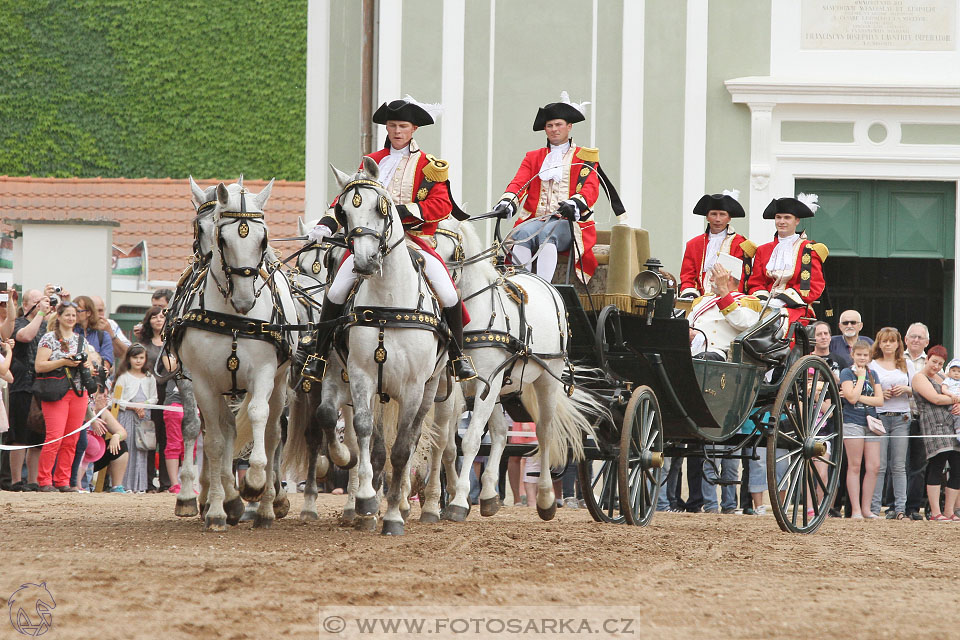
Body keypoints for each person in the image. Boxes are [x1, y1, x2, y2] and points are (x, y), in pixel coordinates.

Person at [306, 95, 476, 382]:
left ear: (414, 130)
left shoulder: (430, 165)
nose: (397, 131)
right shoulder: (371, 161)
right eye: (392, 125)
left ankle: (459, 357)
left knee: (448, 293)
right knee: (335, 291)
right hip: (368, 242)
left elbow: (442, 205)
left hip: (412, 240)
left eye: (403, 126)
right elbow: (349, 199)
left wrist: (400, 211)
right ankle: (318, 355)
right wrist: (325, 224)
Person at [493, 91, 623, 284]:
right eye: (550, 125)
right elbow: (518, 184)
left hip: (570, 223)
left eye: (558, 125)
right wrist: (507, 203)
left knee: (546, 234)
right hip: (535, 220)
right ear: (545, 129)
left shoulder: (584, 157)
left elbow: (590, 189)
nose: (554, 129)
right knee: (519, 235)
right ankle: (521, 286)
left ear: (569, 127)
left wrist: (573, 204)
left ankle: (542, 288)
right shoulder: (533, 157)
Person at [34, 303, 99, 492]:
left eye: (73, 315)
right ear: (59, 316)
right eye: (67, 315)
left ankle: (62, 480)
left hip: (78, 392)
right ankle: (44, 480)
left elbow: (87, 363)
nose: (71, 318)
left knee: (72, 439)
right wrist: (64, 361)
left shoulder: (81, 340)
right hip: (56, 391)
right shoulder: (49, 338)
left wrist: (89, 367)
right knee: (54, 437)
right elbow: (39, 365)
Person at [745, 194, 827, 326]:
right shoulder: (763, 250)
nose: (782, 221)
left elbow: (814, 284)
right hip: (763, 306)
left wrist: (782, 300)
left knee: (776, 325)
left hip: (796, 308)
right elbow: (756, 282)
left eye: (787, 217)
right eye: (778, 217)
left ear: (797, 221)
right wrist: (764, 301)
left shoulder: (809, 249)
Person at [6, 289, 52, 492]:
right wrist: (40, 314)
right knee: (19, 436)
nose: (41, 304)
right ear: (25, 305)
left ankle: (33, 481)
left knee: (37, 438)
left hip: (42, 387)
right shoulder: (18, 322)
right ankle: (16, 481)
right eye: (36, 301)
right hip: (22, 385)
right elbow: (25, 336)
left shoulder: (47, 324)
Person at [868, 327, 914, 520]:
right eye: (884, 341)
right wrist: (880, 395)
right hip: (880, 417)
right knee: (879, 465)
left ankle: (900, 508)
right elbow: (867, 391)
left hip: (902, 416)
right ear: (879, 343)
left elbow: (916, 390)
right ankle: (874, 508)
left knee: (899, 465)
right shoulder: (871, 364)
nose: (888, 345)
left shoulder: (906, 364)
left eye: (892, 341)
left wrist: (906, 389)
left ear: (898, 343)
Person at [69, 295, 114, 491]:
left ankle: (82, 482)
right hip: (74, 386)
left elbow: (107, 363)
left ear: (87, 312)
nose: (74, 315)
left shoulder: (102, 335)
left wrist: (94, 374)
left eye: (77, 310)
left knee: (89, 437)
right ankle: (70, 480)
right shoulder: (70, 332)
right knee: (76, 436)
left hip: (96, 388)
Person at [911, 345, 960, 522]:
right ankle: (936, 512)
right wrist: (956, 399)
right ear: (927, 359)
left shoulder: (942, 377)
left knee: (957, 467)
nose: (936, 366)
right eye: (934, 362)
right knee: (937, 465)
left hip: (951, 426)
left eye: (940, 363)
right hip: (933, 425)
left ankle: (949, 511)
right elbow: (936, 398)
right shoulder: (919, 377)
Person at [679, 190, 754, 298]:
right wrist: (691, 293)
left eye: (722, 214)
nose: (717, 219)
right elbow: (687, 276)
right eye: (713, 214)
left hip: (729, 297)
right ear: (707, 217)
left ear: (729, 218)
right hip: (699, 298)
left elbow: (740, 278)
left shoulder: (741, 243)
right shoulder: (693, 244)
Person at [840, 339, 885, 519]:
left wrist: (859, 397)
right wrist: (859, 378)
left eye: (865, 355)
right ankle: (856, 509)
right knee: (855, 465)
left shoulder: (873, 374)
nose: (862, 358)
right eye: (859, 355)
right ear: (853, 355)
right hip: (852, 421)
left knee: (874, 466)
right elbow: (850, 399)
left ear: (870, 356)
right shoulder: (846, 372)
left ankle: (867, 509)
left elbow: (879, 400)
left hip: (871, 422)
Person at [687, 263, 766, 361]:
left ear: (729, 279)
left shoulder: (746, 301)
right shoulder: (702, 301)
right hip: (691, 351)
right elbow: (686, 326)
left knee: (705, 358)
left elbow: (743, 323)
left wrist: (723, 289)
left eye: (714, 276)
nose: (710, 279)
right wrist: (689, 333)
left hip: (717, 355)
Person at [116, 344, 157, 493]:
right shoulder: (124, 377)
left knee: (142, 448)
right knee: (128, 448)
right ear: (129, 359)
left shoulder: (149, 377)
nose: (138, 361)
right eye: (135, 357)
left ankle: (140, 486)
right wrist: (133, 406)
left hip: (144, 416)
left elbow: (154, 398)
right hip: (127, 416)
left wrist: (143, 405)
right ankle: (124, 484)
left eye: (141, 358)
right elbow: (117, 400)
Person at [139, 306, 170, 492]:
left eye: (162, 316)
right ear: (148, 320)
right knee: (149, 439)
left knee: (167, 441)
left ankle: (166, 483)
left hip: (168, 393)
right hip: (149, 393)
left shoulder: (172, 343)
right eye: (154, 316)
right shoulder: (142, 344)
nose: (159, 319)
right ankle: (148, 482)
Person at [903, 323, 931, 520]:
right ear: (905, 339)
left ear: (927, 342)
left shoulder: (932, 363)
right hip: (901, 418)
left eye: (920, 337)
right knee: (897, 465)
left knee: (919, 466)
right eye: (912, 336)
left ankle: (913, 507)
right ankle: (894, 506)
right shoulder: (896, 358)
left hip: (922, 418)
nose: (916, 340)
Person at [78, 391, 129, 493]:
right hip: (79, 453)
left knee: (121, 445)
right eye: (104, 396)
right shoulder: (80, 407)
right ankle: (78, 485)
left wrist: (116, 436)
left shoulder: (103, 412)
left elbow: (122, 432)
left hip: (95, 454)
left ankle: (117, 487)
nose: (106, 399)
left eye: (107, 396)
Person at [91, 295, 131, 363]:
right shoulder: (79, 325)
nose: (98, 315)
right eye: (94, 311)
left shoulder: (111, 324)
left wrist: (110, 332)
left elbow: (128, 353)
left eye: (100, 311)